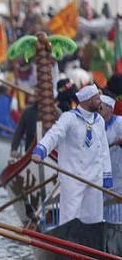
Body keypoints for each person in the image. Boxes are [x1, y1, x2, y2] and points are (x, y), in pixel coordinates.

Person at [32, 84, 112, 225]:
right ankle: (68, 243)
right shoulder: (69, 118)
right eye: (97, 99)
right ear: (88, 101)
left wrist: (107, 175)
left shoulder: (98, 120)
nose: (101, 102)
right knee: (70, 216)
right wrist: (41, 150)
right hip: (73, 176)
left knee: (94, 218)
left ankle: (93, 242)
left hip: (94, 177)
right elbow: (54, 135)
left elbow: (104, 150)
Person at [100, 94, 122, 222]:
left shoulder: (119, 122)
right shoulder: (95, 123)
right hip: (101, 177)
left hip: (118, 175)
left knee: (116, 215)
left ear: (109, 108)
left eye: (101, 106)